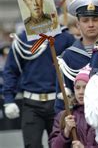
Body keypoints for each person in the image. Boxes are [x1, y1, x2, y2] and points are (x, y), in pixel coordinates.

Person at [3, 13, 74, 146]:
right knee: (32, 144)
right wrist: (9, 99)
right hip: (31, 103)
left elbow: (74, 67)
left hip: (59, 102)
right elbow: (11, 70)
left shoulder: (64, 38)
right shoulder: (22, 39)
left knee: (61, 144)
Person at [55, 0, 98, 112]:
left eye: (95, 19)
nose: (91, 24)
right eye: (85, 20)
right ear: (78, 25)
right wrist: (63, 123)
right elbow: (63, 94)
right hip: (80, 118)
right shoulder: (68, 56)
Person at [49, 66, 98, 148]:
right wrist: (66, 132)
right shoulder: (64, 116)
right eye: (77, 88)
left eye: (85, 87)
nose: (81, 92)